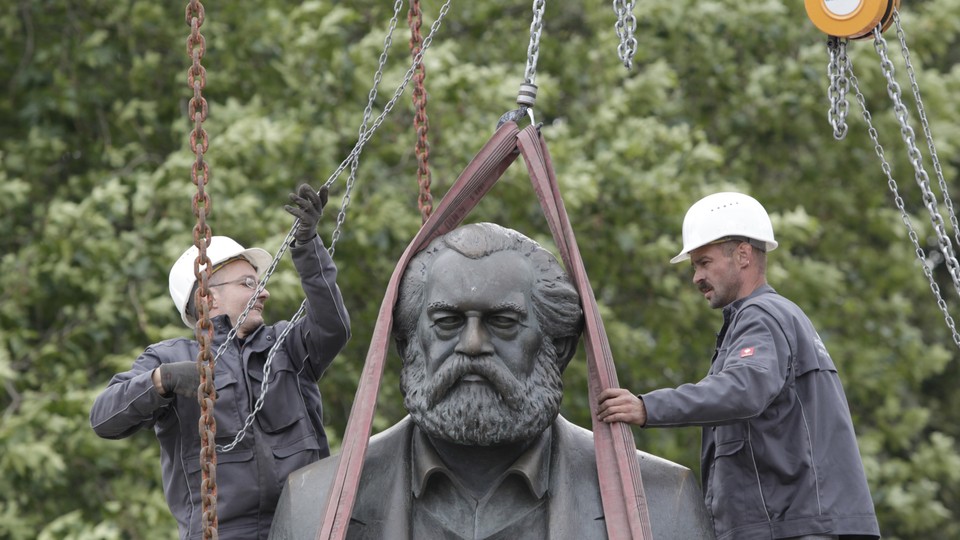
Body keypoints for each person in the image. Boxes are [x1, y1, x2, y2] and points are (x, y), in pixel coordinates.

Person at [270, 222, 714, 540]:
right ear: (408, 345)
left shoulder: (660, 503)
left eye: (503, 322)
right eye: (446, 321)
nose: (473, 344)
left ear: (558, 348)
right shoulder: (314, 503)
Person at [597, 192, 880, 540]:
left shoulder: (760, 317)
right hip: (796, 524)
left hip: (791, 528)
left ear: (743, 255)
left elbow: (742, 390)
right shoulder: (776, 317)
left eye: (704, 262)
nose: (696, 277)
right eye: (694, 267)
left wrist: (647, 407)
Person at [90, 184, 351, 539]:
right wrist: (160, 381)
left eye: (259, 282)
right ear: (207, 298)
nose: (264, 292)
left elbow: (333, 325)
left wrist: (307, 246)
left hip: (308, 524)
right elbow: (103, 419)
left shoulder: (286, 345)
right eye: (248, 282)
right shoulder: (170, 357)